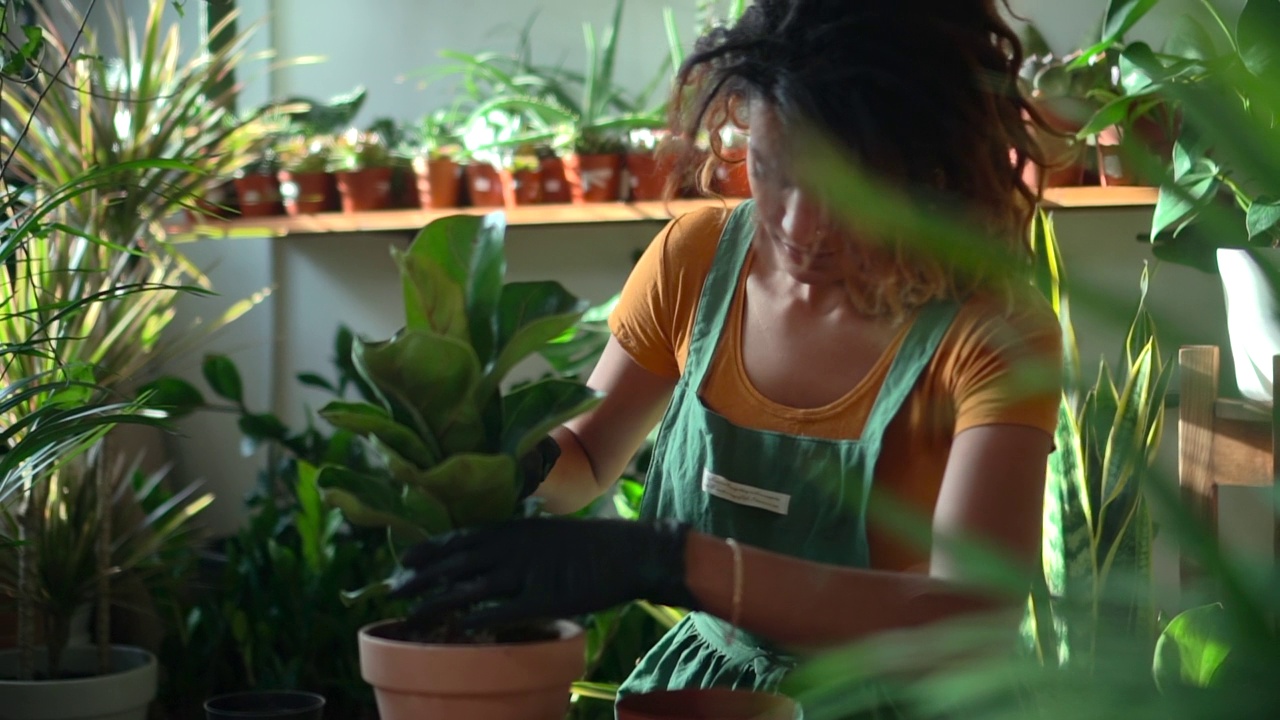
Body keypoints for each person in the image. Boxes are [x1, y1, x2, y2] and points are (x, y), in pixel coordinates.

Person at [394, 0, 1063, 706]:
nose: (801, 225)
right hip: (704, 693)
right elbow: (588, 460)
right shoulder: (697, 261)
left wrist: (676, 563)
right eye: (772, 169)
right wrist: (507, 462)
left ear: (928, 170)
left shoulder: (993, 332)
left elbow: (971, 620)